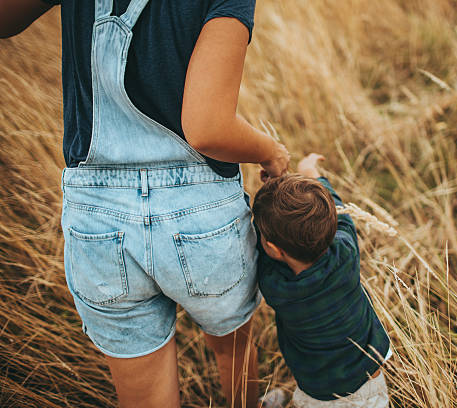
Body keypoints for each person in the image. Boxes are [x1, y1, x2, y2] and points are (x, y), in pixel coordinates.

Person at [0, 1, 290, 407]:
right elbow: (207, 128)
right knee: (233, 351)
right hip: (202, 215)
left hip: (98, 220)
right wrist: (271, 151)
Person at [252, 154, 392, 408]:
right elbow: (337, 208)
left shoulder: (276, 286)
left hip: (319, 393)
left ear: (273, 248)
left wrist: (270, 197)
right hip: (369, 379)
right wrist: (311, 173)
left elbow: (262, 253)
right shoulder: (346, 250)